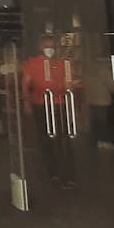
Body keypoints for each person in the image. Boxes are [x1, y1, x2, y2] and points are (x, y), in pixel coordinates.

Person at [21, 36, 78, 187]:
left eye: (52, 46)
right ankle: (52, 171)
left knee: (64, 139)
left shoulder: (62, 63)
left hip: (61, 104)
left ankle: (67, 173)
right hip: (42, 104)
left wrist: (68, 86)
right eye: (47, 46)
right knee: (46, 139)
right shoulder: (33, 63)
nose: (50, 49)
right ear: (41, 46)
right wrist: (27, 102)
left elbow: (69, 83)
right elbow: (25, 84)